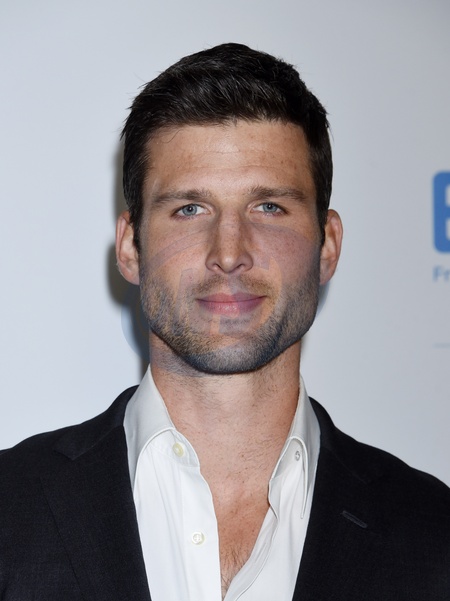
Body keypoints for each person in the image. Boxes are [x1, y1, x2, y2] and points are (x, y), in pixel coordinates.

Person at [0, 43, 449, 601]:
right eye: (190, 209)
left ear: (328, 245)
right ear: (131, 247)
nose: (230, 253)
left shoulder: (433, 536)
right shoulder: (10, 510)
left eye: (269, 208)